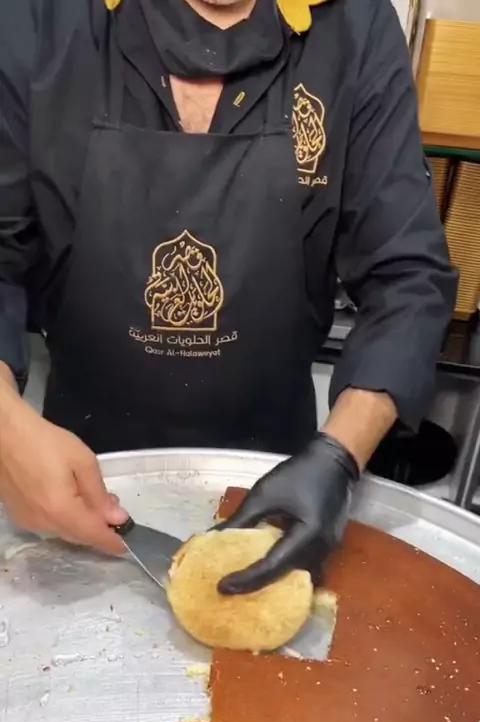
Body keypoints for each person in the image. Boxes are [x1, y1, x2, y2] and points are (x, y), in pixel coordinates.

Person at [0, 0, 456, 594]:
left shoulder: (354, 28)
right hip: (73, 482)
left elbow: (408, 277)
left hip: (278, 489)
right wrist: (5, 426)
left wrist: (339, 459)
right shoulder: (38, 19)